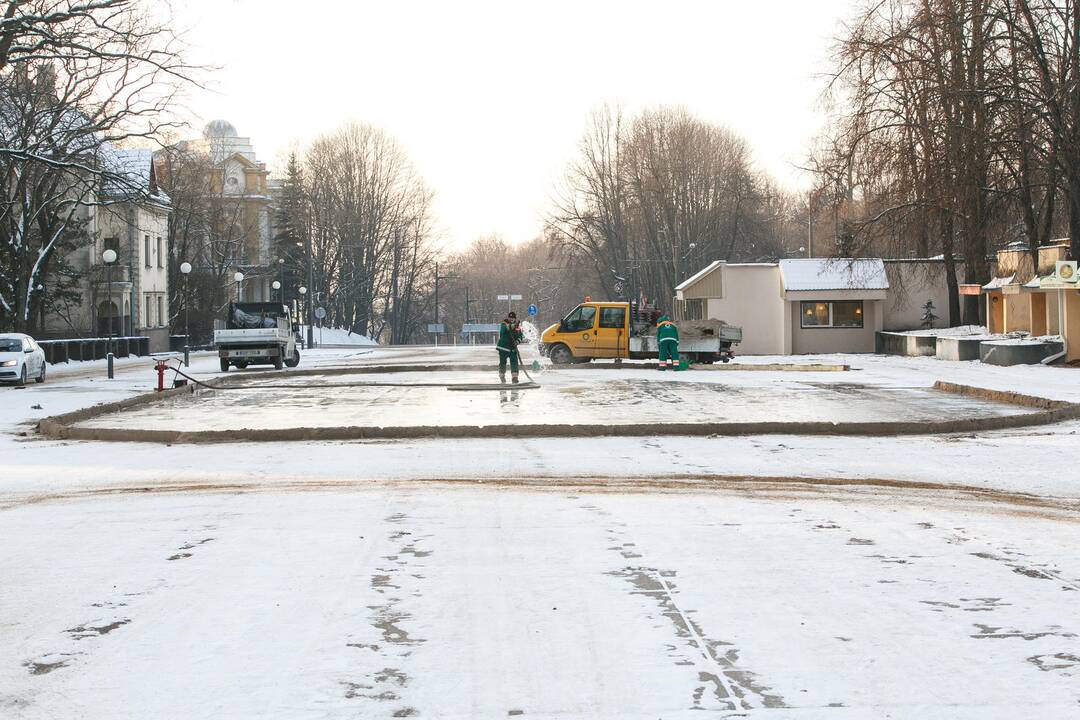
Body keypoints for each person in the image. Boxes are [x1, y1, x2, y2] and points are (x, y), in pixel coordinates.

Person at [497, 311, 525, 383]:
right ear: (508, 318)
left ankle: (514, 377)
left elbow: (520, 336)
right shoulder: (504, 324)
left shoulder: (517, 327)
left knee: (514, 362)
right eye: (510, 318)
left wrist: (517, 342)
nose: (511, 319)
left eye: (513, 318)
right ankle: (502, 376)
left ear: (515, 319)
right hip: (503, 347)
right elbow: (505, 329)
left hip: (512, 348)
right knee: (503, 362)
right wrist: (513, 326)